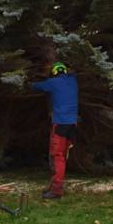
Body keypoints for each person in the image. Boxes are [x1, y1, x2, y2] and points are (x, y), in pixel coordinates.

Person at [32, 62, 78, 200]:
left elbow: (37, 86)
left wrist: (30, 82)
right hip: (72, 125)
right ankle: (54, 186)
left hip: (60, 124)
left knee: (57, 157)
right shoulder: (73, 81)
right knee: (63, 155)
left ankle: (56, 190)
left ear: (54, 72)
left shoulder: (53, 82)